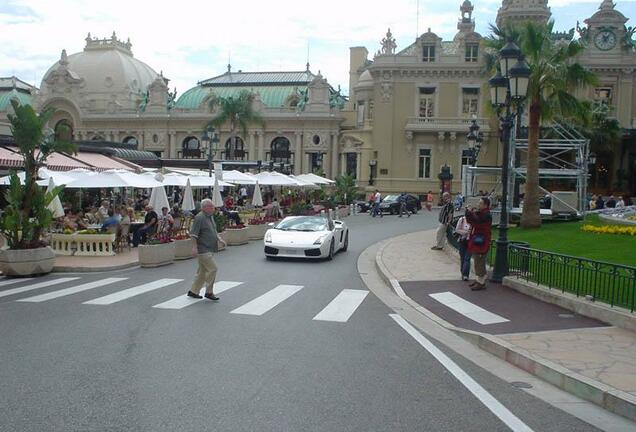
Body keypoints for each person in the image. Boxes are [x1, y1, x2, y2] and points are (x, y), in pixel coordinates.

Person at [187, 199, 227, 300]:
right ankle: (209, 292)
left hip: (209, 248)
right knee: (213, 268)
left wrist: (220, 239)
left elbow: (213, 230)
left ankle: (193, 291)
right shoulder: (199, 217)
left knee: (202, 272)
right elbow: (193, 234)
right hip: (203, 249)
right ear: (205, 207)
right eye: (212, 207)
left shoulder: (210, 216)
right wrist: (194, 247)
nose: (214, 208)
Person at [465, 197, 492, 291]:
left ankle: (481, 282)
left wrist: (469, 212)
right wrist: (469, 213)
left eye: (480, 203)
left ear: (485, 205)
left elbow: (477, 221)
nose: (478, 204)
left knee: (479, 262)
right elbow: (472, 220)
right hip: (478, 240)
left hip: (482, 242)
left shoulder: (486, 214)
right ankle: (478, 280)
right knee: (477, 261)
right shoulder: (482, 213)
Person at [454, 214, 472, 281]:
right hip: (462, 241)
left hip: (470, 242)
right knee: (462, 258)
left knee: (467, 258)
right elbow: (457, 230)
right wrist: (466, 232)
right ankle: (463, 272)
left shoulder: (474, 221)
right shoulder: (462, 220)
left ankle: (465, 275)